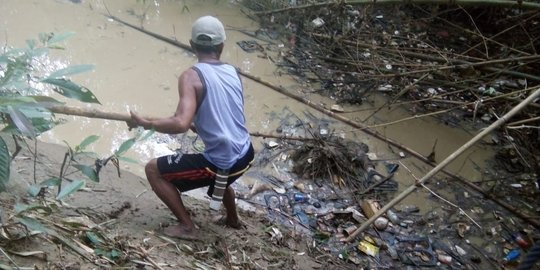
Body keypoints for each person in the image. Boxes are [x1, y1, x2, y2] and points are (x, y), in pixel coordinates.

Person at [128, 15, 254, 240]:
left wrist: (145, 123)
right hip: (246, 155)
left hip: (223, 163)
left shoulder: (190, 77)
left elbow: (180, 123)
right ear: (222, 46)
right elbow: (227, 114)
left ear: (192, 45)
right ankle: (233, 220)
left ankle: (187, 226)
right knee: (220, 177)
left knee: (153, 169)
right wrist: (201, 123)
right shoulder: (233, 72)